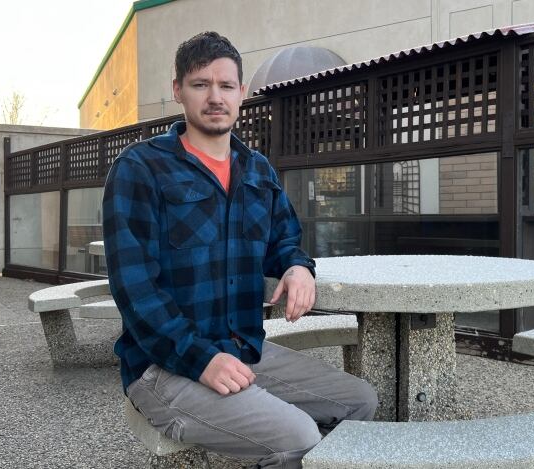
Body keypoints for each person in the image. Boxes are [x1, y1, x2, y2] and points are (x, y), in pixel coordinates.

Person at [102, 31, 377, 468]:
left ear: (241, 93)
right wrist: (202, 359)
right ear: (178, 90)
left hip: (242, 347)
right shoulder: (141, 168)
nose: (215, 97)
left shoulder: (257, 169)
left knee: (360, 401)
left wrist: (297, 267)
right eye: (200, 84)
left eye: (226, 86)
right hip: (162, 366)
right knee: (297, 436)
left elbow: (283, 238)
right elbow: (136, 290)